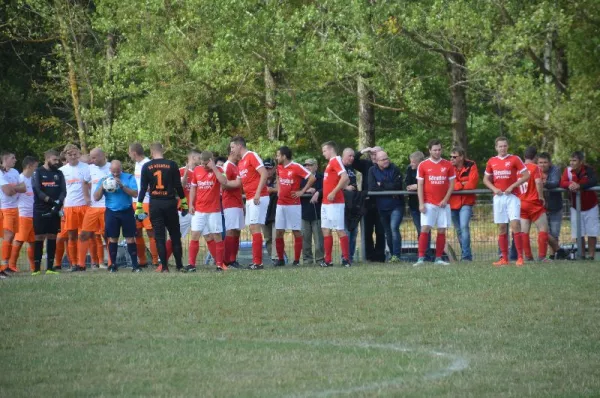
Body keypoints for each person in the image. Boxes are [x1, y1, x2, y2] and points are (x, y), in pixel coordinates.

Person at [136, 143, 188, 272]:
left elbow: (142, 188)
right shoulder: (172, 164)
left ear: (151, 152)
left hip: (155, 204)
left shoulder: (146, 166)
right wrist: (184, 202)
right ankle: (179, 265)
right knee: (175, 235)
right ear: (162, 150)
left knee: (159, 236)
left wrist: (139, 206)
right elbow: (178, 186)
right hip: (170, 203)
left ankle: (164, 266)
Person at [483, 136, 530, 267]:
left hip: (512, 197)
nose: (502, 148)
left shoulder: (514, 159)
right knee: (502, 227)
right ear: (496, 147)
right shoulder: (492, 161)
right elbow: (485, 179)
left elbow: (526, 175)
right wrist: (494, 188)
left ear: (507, 146)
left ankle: (520, 257)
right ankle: (504, 258)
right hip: (498, 198)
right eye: (500, 146)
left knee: (515, 225)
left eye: (504, 146)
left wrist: (513, 186)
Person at [229, 137, 269, 270]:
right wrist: (221, 181)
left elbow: (264, 174)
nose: (231, 150)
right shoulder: (240, 163)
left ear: (239, 146)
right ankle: (256, 261)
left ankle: (258, 263)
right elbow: (237, 183)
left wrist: (257, 193)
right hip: (251, 198)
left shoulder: (251, 155)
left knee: (255, 227)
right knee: (253, 228)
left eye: (232, 147)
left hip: (259, 197)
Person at [414, 139, 455, 266]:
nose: (437, 152)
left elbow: (452, 185)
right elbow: (420, 185)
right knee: (425, 228)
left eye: (439, 149)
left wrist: (445, 200)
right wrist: (421, 203)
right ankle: (421, 258)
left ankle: (438, 258)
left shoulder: (448, 165)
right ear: (430, 150)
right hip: (428, 203)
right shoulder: (423, 165)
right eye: (435, 150)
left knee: (442, 230)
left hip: (443, 204)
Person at [94, 160, 141, 272]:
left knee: (130, 238)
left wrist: (122, 186)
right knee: (112, 238)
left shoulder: (129, 178)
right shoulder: (104, 179)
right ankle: (113, 265)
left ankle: (135, 265)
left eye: (118, 171)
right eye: (113, 172)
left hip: (127, 211)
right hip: (111, 212)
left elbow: (135, 194)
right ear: (110, 170)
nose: (115, 174)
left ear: (121, 169)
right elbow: (96, 198)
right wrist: (102, 186)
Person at [187, 151, 229, 271]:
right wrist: (191, 204)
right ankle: (191, 265)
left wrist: (214, 168)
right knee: (195, 235)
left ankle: (220, 265)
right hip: (199, 210)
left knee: (217, 236)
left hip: (214, 210)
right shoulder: (197, 170)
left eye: (206, 164)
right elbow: (193, 189)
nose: (204, 166)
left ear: (211, 161)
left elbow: (224, 182)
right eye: (202, 163)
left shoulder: (219, 170)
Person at [274, 146, 316, 266]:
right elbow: (278, 178)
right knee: (278, 231)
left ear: (284, 156)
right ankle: (280, 259)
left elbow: (312, 178)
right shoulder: (279, 167)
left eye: (278, 155)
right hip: (280, 204)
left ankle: (296, 260)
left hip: (293, 204)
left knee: (296, 231)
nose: (277, 158)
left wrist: (302, 191)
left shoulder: (296, 167)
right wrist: (279, 190)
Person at [517, 146, 558, 262]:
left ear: (524, 156)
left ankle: (528, 257)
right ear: (535, 157)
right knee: (543, 229)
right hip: (533, 203)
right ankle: (542, 257)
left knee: (524, 231)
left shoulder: (518, 169)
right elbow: (539, 182)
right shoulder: (535, 168)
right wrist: (540, 197)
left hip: (521, 203)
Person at [31, 150, 66, 275]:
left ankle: (50, 268)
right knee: (39, 237)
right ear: (47, 159)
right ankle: (36, 268)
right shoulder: (37, 172)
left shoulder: (59, 173)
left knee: (52, 236)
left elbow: (63, 191)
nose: (57, 162)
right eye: (54, 160)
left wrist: (58, 204)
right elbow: (38, 191)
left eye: (58, 160)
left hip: (55, 209)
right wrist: (52, 201)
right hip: (40, 209)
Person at [560, 151, 598, 260]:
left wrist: (579, 186)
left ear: (581, 162)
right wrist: (570, 184)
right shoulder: (567, 171)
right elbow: (562, 182)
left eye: (574, 160)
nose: (572, 163)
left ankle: (591, 256)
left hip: (591, 206)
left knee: (592, 231)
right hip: (575, 207)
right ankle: (581, 255)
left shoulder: (588, 169)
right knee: (578, 232)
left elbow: (593, 181)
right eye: (571, 160)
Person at [164, 150, 199, 270]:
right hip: (184, 209)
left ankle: (220, 264)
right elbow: (180, 186)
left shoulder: (201, 171)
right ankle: (162, 262)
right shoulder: (180, 170)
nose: (200, 160)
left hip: (199, 209)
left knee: (209, 236)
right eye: (198, 157)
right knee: (175, 236)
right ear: (193, 157)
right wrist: (185, 174)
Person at [60, 144, 91, 272]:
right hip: (69, 206)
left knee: (83, 235)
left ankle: (81, 263)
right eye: (70, 154)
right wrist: (61, 206)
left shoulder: (86, 168)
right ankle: (73, 264)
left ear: (78, 154)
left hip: (84, 206)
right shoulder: (62, 170)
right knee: (71, 236)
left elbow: (90, 185)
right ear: (66, 156)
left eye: (75, 154)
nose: (73, 156)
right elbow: (60, 191)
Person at [368, 151, 404, 262]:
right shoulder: (372, 170)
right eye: (383, 159)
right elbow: (372, 187)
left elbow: (397, 186)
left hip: (396, 205)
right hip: (382, 207)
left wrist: (382, 184)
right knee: (387, 232)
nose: (386, 161)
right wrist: (389, 186)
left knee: (394, 228)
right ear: (377, 161)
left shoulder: (395, 169)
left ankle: (397, 256)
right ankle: (393, 255)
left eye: (387, 158)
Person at [352, 146, 386, 262]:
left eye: (376, 153)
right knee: (367, 231)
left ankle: (380, 256)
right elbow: (353, 161)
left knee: (381, 231)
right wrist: (364, 151)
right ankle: (369, 256)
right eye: (372, 154)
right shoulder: (366, 164)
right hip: (367, 202)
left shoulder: (386, 166)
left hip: (381, 203)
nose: (374, 156)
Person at [128, 143, 159, 268]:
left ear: (134, 153)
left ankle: (157, 260)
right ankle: (142, 261)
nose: (129, 155)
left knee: (151, 232)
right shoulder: (137, 164)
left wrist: (147, 189)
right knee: (137, 232)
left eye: (130, 153)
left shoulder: (149, 164)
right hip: (135, 203)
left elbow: (155, 183)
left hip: (146, 203)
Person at [79, 148, 111, 269]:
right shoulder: (90, 168)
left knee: (107, 235)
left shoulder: (110, 167)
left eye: (94, 157)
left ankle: (111, 263)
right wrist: (87, 196)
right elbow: (85, 182)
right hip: (93, 207)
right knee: (84, 234)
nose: (92, 160)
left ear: (103, 156)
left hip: (107, 207)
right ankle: (80, 264)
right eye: (91, 157)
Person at [321, 141, 350, 267]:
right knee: (326, 229)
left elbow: (345, 177)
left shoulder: (335, 160)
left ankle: (346, 259)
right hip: (326, 203)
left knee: (339, 229)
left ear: (331, 149)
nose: (323, 154)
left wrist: (334, 192)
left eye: (324, 151)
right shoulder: (330, 163)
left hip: (335, 202)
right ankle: (328, 260)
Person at [8, 156, 38, 272]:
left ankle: (34, 267)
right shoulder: (19, 179)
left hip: (33, 215)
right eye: (35, 166)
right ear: (29, 166)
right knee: (19, 240)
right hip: (23, 214)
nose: (37, 169)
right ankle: (11, 265)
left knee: (32, 241)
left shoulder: (34, 179)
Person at [449, 147, 478, 261]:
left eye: (454, 157)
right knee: (459, 230)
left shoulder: (471, 165)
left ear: (461, 157)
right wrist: (461, 184)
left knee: (464, 227)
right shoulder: (449, 167)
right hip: (452, 203)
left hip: (466, 202)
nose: (452, 159)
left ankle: (466, 256)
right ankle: (466, 253)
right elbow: (449, 184)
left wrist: (457, 185)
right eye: (450, 156)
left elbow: (472, 184)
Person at [0, 151, 26, 272]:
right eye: (12, 158)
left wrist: (13, 188)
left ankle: (8, 265)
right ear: (5, 159)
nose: (15, 160)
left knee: (11, 236)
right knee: (8, 235)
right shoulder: (1, 173)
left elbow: (24, 188)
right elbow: (7, 192)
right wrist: (16, 189)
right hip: (5, 208)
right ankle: (4, 265)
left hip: (15, 208)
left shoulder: (15, 172)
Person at [537, 152, 565, 258]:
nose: (542, 165)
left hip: (555, 207)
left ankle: (553, 255)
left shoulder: (555, 169)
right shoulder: (535, 170)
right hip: (540, 208)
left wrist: (542, 183)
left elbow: (555, 183)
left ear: (549, 163)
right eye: (540, 162)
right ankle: (558, 251)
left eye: (545, 162)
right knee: (544, 231)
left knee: (554, 233)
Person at [221, 148, 245, 268]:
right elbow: (223, 183)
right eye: (237, 152)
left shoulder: (236, 166)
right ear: (231, 153)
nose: (239, 155)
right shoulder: (227, 166)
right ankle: (226, 260)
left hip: (238, 202)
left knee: (237, 230)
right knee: (231, 229)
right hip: (230, 202)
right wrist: (236, 183)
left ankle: (232, 259)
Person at [406, 151, 431, 258]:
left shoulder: (427, 168)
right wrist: (410, 186)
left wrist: (417, 186)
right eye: (411, 162)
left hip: (426, 204)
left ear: (420, 162)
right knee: (419, 229)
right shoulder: (409, 169)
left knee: (425, 229)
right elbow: (406, 183)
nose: (411, 164)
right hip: (414, 204)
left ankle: (427, 253)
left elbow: (430, 183)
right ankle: (422, 253)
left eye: (414, 163)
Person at [300, 158, 324, 264]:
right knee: (305, 239)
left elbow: (326, 189)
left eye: (310, 165)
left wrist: (317, 191)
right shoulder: (301, 178)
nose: (307, 167)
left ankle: (320, 259)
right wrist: (305, 190)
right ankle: (307, 260)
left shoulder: (321, 177)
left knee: (319, 239)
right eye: (305, 165)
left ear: (316, 166)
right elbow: (296, 189)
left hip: (318, 212)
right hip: (304, 212)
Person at [341, 148, 361, 263]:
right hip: (343, 205)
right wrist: (344, 188)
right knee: (346, 232)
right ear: (343, 155)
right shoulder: (338, 167)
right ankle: (345, 257)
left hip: (353, 204)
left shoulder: (351, 169)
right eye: (350, 156)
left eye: (353, 156)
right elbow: (331, 184)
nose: (352, 158)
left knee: (354, 233)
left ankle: (350, 257)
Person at [262, 159, 278, 264]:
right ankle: (272, 259)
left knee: (276, 237)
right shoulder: (260, 178)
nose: (268, 170)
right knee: (267, 238)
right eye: (265, 168)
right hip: (264, 212)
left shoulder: (278, 178)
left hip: (276, 211)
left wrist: (272, 190)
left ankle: (277, 258)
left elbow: (284, 188)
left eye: (269, 168)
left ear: (274, 168)